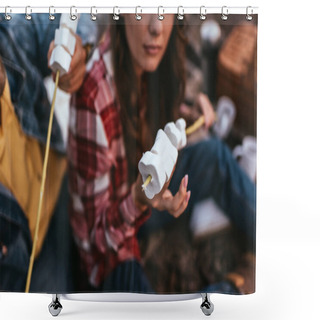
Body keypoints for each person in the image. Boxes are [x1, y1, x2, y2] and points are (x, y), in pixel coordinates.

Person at [69, 14, 255, 293]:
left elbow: (156, 119)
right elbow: (94, 241)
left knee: (214, 155)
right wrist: (137, 200)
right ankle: (238, 288)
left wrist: (192, 112)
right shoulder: (92, 97)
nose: (156, 28)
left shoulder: (159, 57)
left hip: (145, 193)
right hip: (111, 240)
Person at [0, 14, 97, 292]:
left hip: (60, 191)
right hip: (22, 273)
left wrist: (79, 51)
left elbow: (76, 16)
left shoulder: (9, 33)